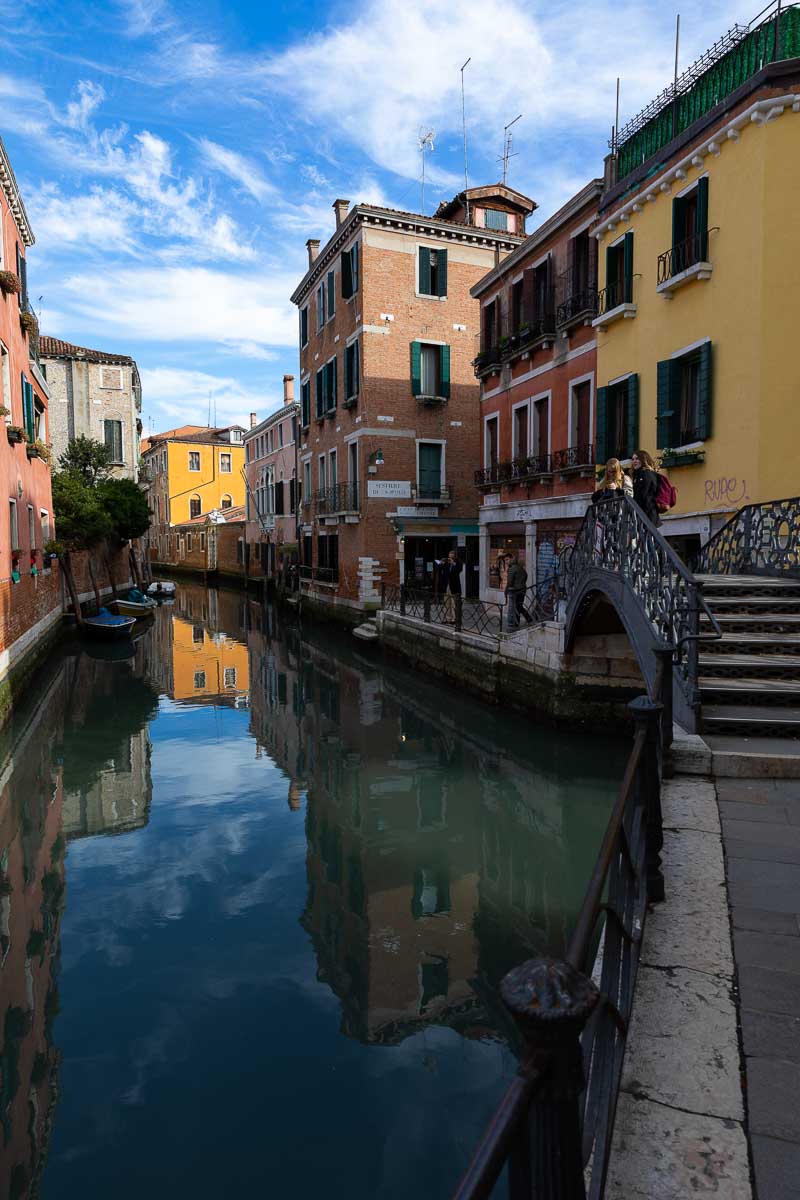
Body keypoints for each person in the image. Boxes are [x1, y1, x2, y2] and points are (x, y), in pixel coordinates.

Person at [631, 450, 661, 526]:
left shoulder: (646, 474)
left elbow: (643, 495)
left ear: (643, 460)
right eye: (633, 459)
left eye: (637, 459)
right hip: (644, 513)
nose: (634, 461)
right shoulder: (639, 474)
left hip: (648, 513)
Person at [505, 553, 531, 629]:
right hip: (523, 589)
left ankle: (524, 620)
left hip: (516, 590)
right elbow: (526, 575)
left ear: (511, 560)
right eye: (505, 560)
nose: (506, 562)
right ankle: (518, 622)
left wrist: (506, 591)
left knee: (517, 606)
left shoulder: (512, 569)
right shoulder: (520, 568)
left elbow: (510, 582)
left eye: (507, 560)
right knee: (518, 606)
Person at [439, 549, 462, 623]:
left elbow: (459, 569)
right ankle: (448, 618)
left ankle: (455, 619)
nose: (450, 559)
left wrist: (453, 563)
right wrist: (441, 564)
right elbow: (441, 571)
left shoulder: (458, 562)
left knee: (454, 604)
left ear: (455, 557)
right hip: (447, 586)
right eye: (449, 557)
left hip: (454, 586)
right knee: (447, 603)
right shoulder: (447, 563)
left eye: (452, 557)